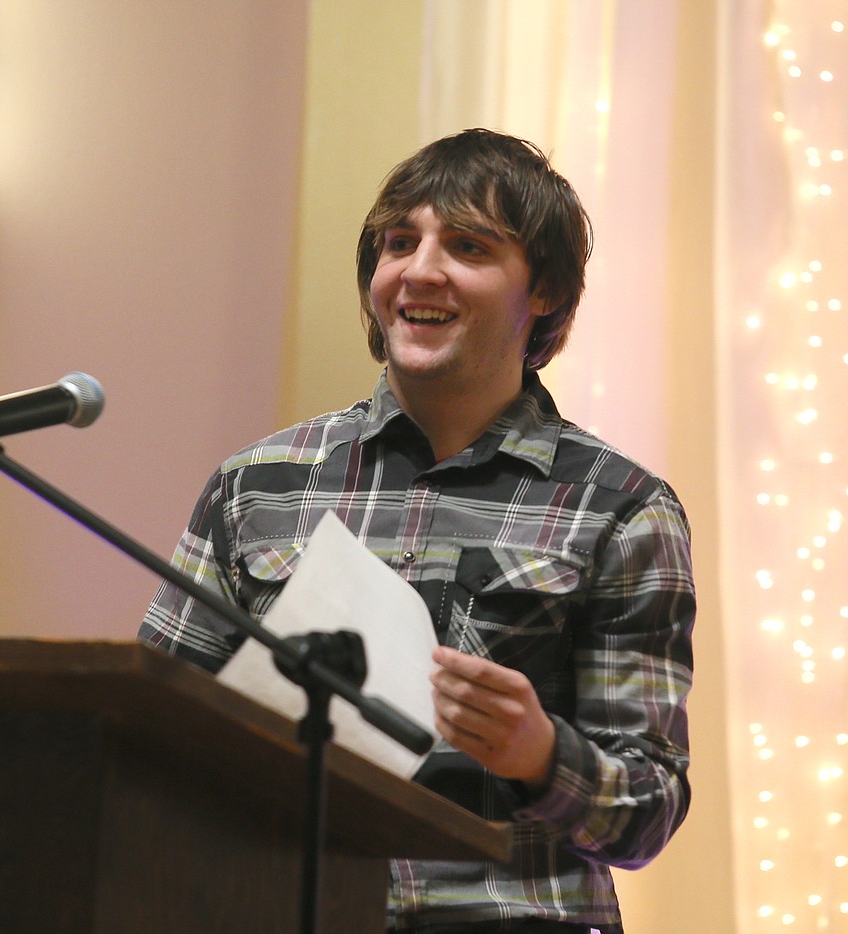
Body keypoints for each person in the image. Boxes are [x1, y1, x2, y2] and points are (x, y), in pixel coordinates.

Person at [139, 128, 695, 933]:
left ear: (541, 291)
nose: (419, 270)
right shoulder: (257, 483)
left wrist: (541, 755)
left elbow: (648, 811)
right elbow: (155, 733)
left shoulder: (620, 505)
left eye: (467, 246)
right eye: (400, 243)